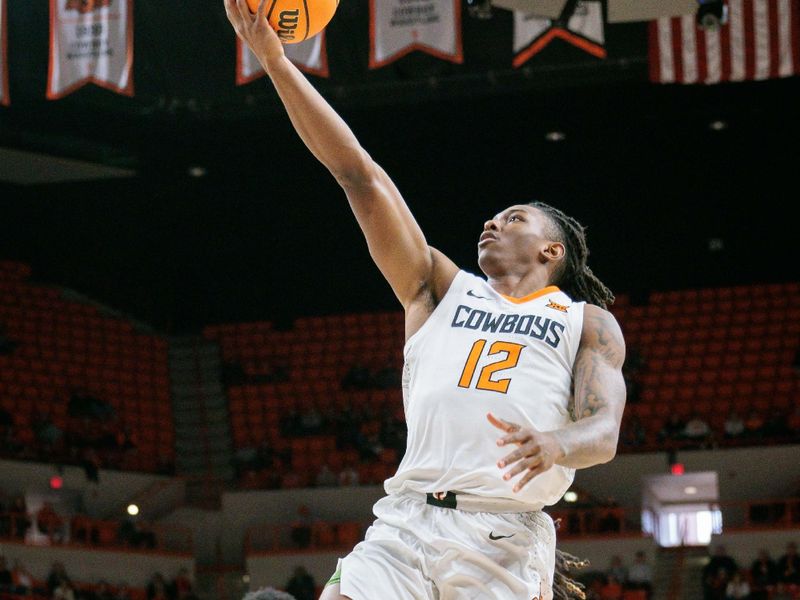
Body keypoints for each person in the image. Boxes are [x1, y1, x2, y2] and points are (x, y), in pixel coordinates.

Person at [225, 3, 626, 599]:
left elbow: (604, 429)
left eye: (513, 219)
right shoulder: (438, 288)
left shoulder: (585, 322)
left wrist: (556, 444)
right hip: (406, 520)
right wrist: (276, 62)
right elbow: (360, 176)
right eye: (492, 216)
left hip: (502, 532)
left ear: (552, 251)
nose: (491, 223)